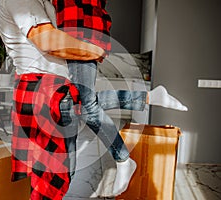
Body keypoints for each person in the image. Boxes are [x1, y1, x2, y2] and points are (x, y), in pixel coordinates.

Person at [0, 0, 187, 199]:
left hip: (56, 86)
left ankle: (147, 102)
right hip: (42, 89)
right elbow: (47, 40)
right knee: (51, 174)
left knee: (63, 165)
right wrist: (95, 50)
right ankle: (126, 150)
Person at [52, 0, 188, 197]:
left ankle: (123, 159)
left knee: (85, 105)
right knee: (74, 105)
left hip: (79, 30)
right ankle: (149, 97)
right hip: (76, 30)